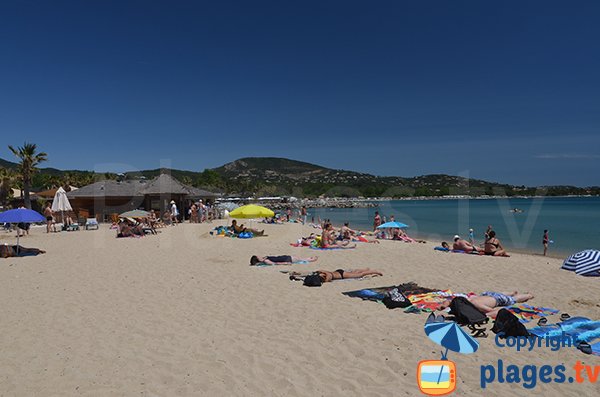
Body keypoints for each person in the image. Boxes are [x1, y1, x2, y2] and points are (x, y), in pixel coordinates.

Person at [438, 291, 533, 318]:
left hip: (497, 299)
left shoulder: (475, 304)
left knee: (513, 300)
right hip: (485, 295)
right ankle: (511, 292)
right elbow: (449, 301)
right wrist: (443, 306)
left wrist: (485, 315)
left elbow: (494, 311)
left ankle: (529, 295)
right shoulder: (463, 301)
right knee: (499, 294)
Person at [315, 268, 383, 282]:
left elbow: (327, 279)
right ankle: (366, 269)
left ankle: (375, 272)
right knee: (355, 272)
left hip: (342, 275)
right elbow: (320, 270)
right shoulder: (325, 273)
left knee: (360, 275)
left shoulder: (327, 276)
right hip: (338, 272)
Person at [250, 255, 318, 266]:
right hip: (287, 259)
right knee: (301, 259)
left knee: (301, 258)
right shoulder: (265, 261)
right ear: (257, 259)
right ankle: (312, 259)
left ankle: (310, 258)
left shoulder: (264, 258)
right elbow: (275, 263)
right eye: (257, 256)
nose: (258, 255)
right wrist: (285, 263)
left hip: (285, 257)